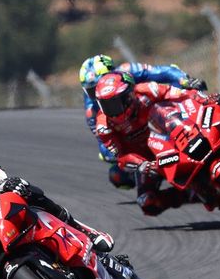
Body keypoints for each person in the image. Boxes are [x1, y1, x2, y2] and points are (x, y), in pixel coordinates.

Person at [93, 71, 220, 216]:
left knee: (214, 108)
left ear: (129, 95)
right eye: (106, 105)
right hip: (150, 158)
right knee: (147, 202)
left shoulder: (146, 90)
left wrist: (201, 98)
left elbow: (179, 94)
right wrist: (141, 164)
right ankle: (196, 193)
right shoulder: (104, 126)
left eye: (115, 103)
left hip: (173, 129)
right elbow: (121, 155)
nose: (112, 111)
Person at [78, 54, 207, 189]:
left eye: (103, 82)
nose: (100, 91)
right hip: (134, 137)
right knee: (118, 176)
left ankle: (197, 124)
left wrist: (184, 81)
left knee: (185, 88)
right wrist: (119, 154)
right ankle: (160, 172)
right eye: (91, 90)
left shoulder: (128, 70)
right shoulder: (92, 111)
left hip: (153, 107)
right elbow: (104, 146)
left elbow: (163, 71)